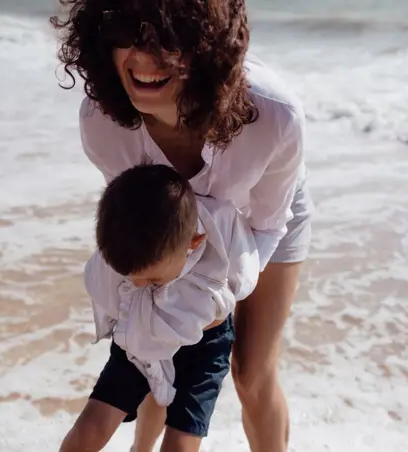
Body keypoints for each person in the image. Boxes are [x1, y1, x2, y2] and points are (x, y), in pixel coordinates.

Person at [51, 0, 313, 451]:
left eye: (167, 41)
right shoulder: (102, 122)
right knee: (159, 346)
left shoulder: (273, 115)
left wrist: (215, 293)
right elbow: (138, 216)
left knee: (251, 372)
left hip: (261, 221)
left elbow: (269, 224)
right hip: (169, 226)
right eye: (126, 34)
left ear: (204, 47)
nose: (143, 55)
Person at [60, 163, 259, 452]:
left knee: (181, 440)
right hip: (141, 335)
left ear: (194, 243)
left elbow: (244, 275)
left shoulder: (219, 227)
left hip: (204, 349)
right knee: (97, 418)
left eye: (151, 278)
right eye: (129, 276)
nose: (140, 285)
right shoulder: (128, 243)